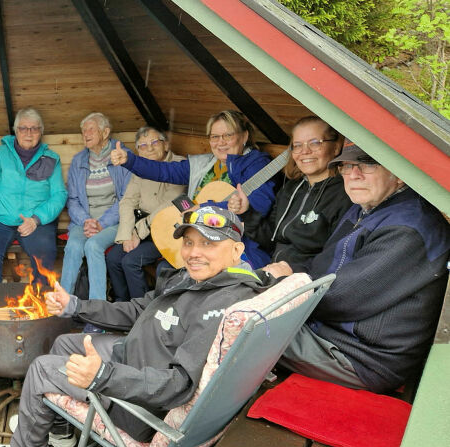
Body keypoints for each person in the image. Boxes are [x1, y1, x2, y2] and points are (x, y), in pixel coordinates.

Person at [0, 206, 275, 447]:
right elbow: (139, 310)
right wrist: (75, 306)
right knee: (65, 343)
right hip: (135, 359)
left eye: (208, 244)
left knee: (40, 369)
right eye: (189, 242)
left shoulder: (221, 304)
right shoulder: (196, 279)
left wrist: (102, 375)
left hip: (137, 403)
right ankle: (61, 433)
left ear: (237, 250)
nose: (194, 253)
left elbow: (178, 385)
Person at [265, 141, 450, 393]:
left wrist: (281, 283)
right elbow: (323, 264)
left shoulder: (408, 228)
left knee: (235, 322)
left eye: (368, 164)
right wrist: (289, 269)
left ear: (399, 175)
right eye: (347, 166)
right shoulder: (366, 208)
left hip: (361, 358)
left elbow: (338, 299)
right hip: (330, 334)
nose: (354, 175)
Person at [111, 110, 276, 267]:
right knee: (165, 270)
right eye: (215, 137)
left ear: (244, 136)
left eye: (228, 135)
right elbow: (163, 171)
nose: (221, 142)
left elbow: (259, 205)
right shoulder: (203, 164)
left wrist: (203, 209)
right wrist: (130, 160)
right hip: (200, 241)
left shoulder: (257, 165)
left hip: (239, 245)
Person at [227, 116, 352, 268]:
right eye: (297, 145)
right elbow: (270, 239)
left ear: (336, 147)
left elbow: (336, 257)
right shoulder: (290, 189)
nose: (305, 151)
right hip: (275, 271)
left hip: (307, 281)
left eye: (314, 143)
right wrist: (247, 212)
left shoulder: (345, 193)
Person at [0, 108, 68, 285]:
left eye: (34, 128)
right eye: (23, 128)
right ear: (16, 131)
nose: (29, 133)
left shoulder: (51, 158)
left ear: (41, 132)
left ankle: (38, 303)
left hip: (35, 220)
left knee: (45, 249)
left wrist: (36, 219)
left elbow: (59, 195)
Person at [106, 126, 186, 302]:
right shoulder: (140, 170)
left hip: (167, 230)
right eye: (142, 145)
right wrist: (126, 234)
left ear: (166, 145)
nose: (149, 148)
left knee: (131, 261)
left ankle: (141, 309)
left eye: (154, 142)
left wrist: (137, 232)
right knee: (113, 258)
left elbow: (168, 207)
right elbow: (127, 201)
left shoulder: (179, 166)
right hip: (139, 227)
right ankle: (121, 303)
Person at [60, 113, 133, 303]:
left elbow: (126, 199)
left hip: (113, 222)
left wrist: (102, 223)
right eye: (83, 131)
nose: (86, 134)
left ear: (105, 132)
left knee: (93, 246)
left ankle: (97, 311)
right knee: (74, 246)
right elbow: (73, 199)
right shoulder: (79, 161)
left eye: (91, 129)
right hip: (84, 221)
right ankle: (62, 305)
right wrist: (87, 221)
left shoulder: (121, 157)